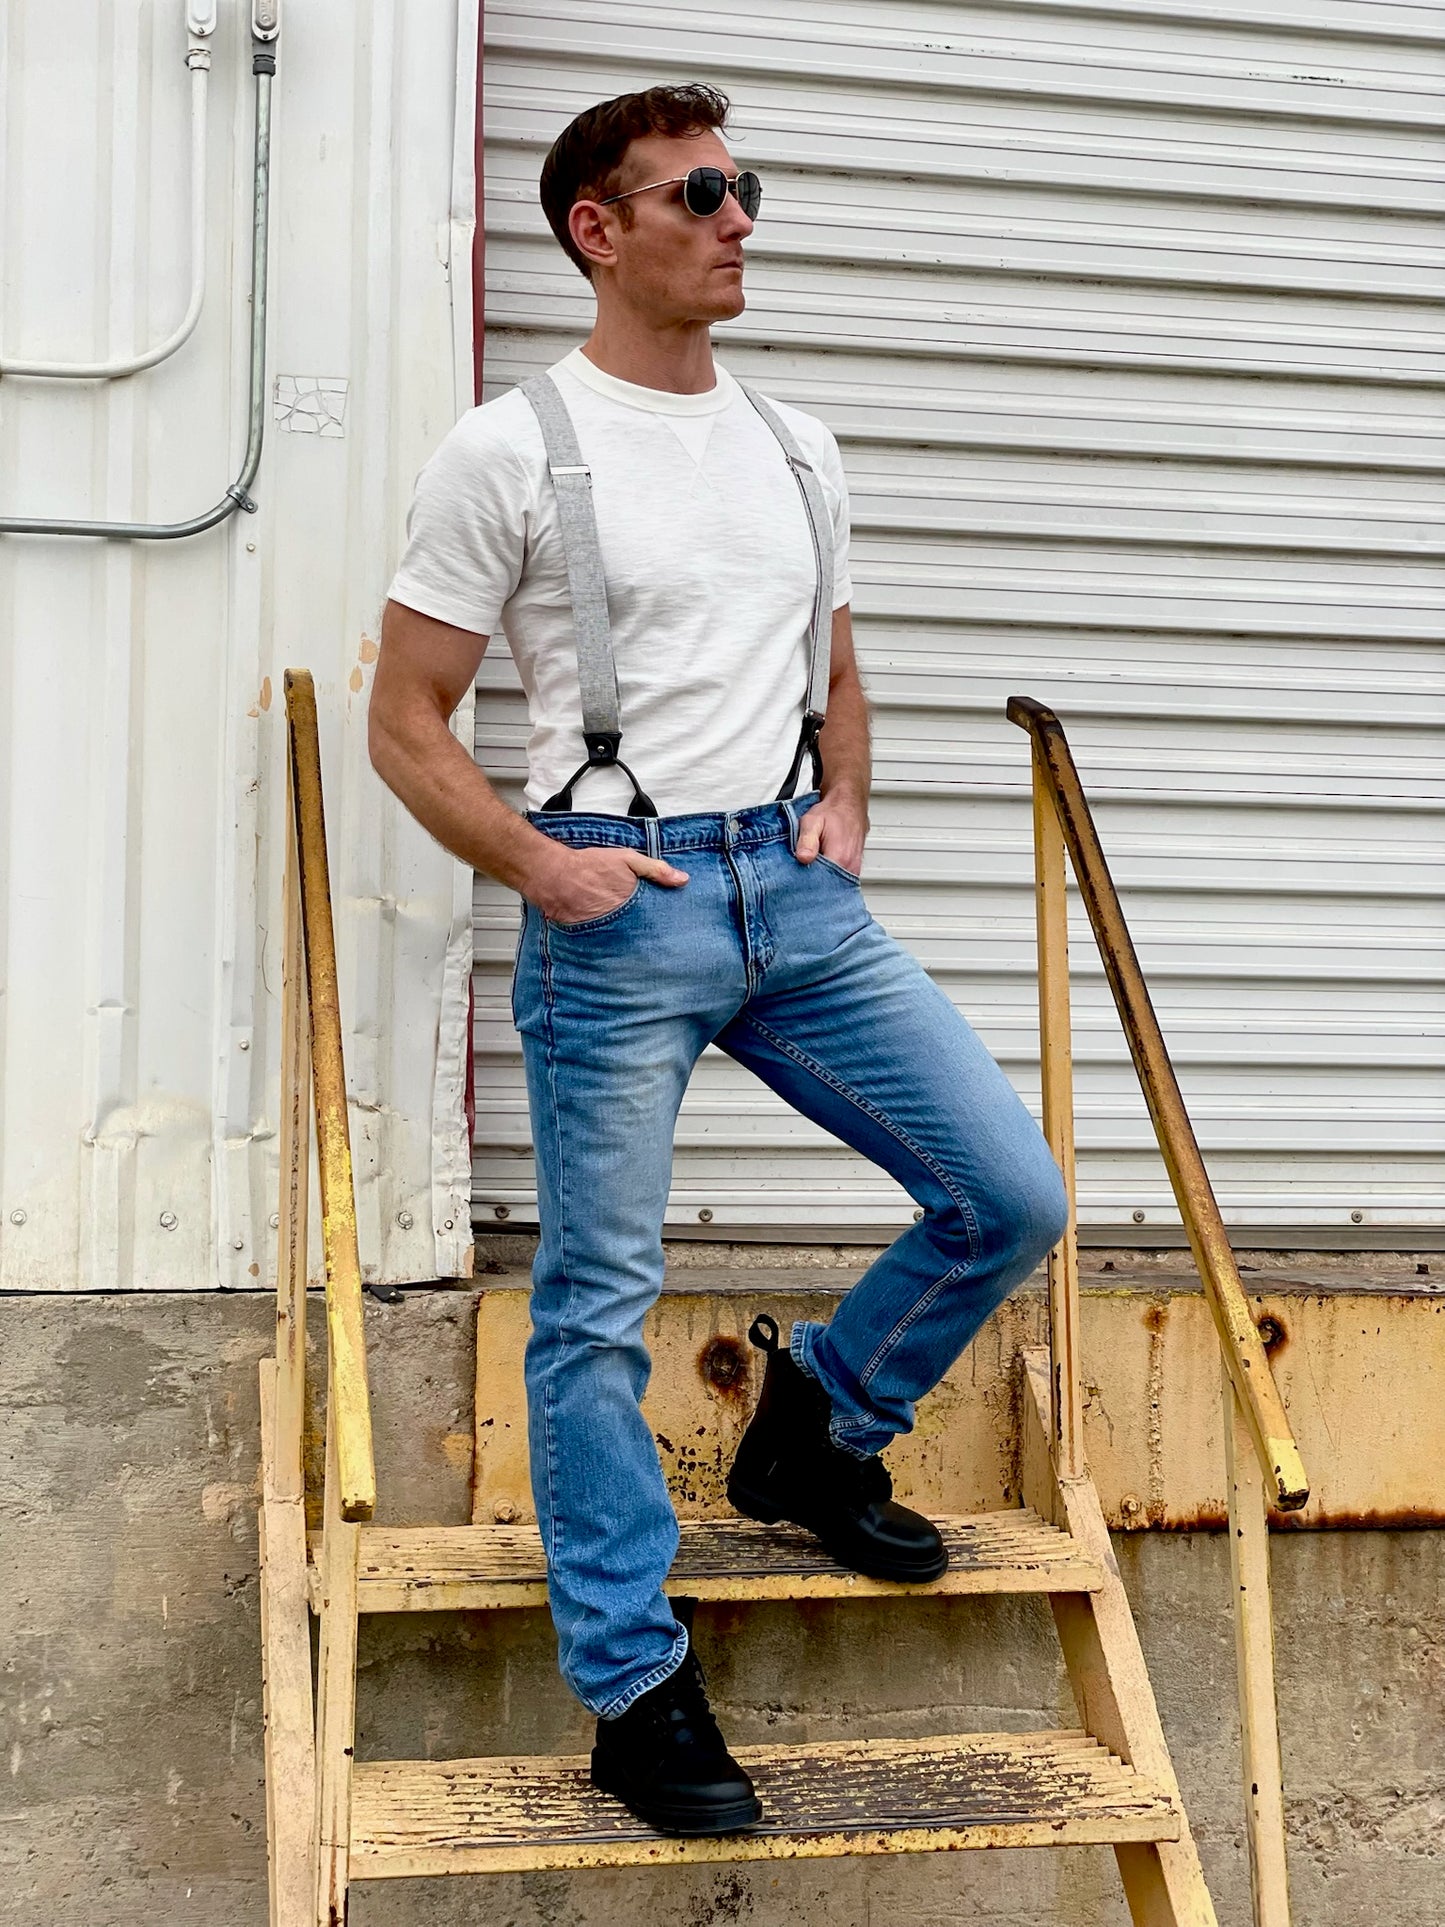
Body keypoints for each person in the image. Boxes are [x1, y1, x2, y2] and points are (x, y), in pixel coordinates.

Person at [368, 82, 1069, 1839]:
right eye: (702, 192)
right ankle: (630, 1679)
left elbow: (832, 655)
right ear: (599, 229)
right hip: (626, 908)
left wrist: (845, 802)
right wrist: (543, 866)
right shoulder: (512, 449)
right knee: (596, 1305)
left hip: (793, 894)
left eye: (746, 187)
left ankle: (815, 1425)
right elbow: (406, 723)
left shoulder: (795, 441)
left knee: (1008, 1195)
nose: (740, 215)